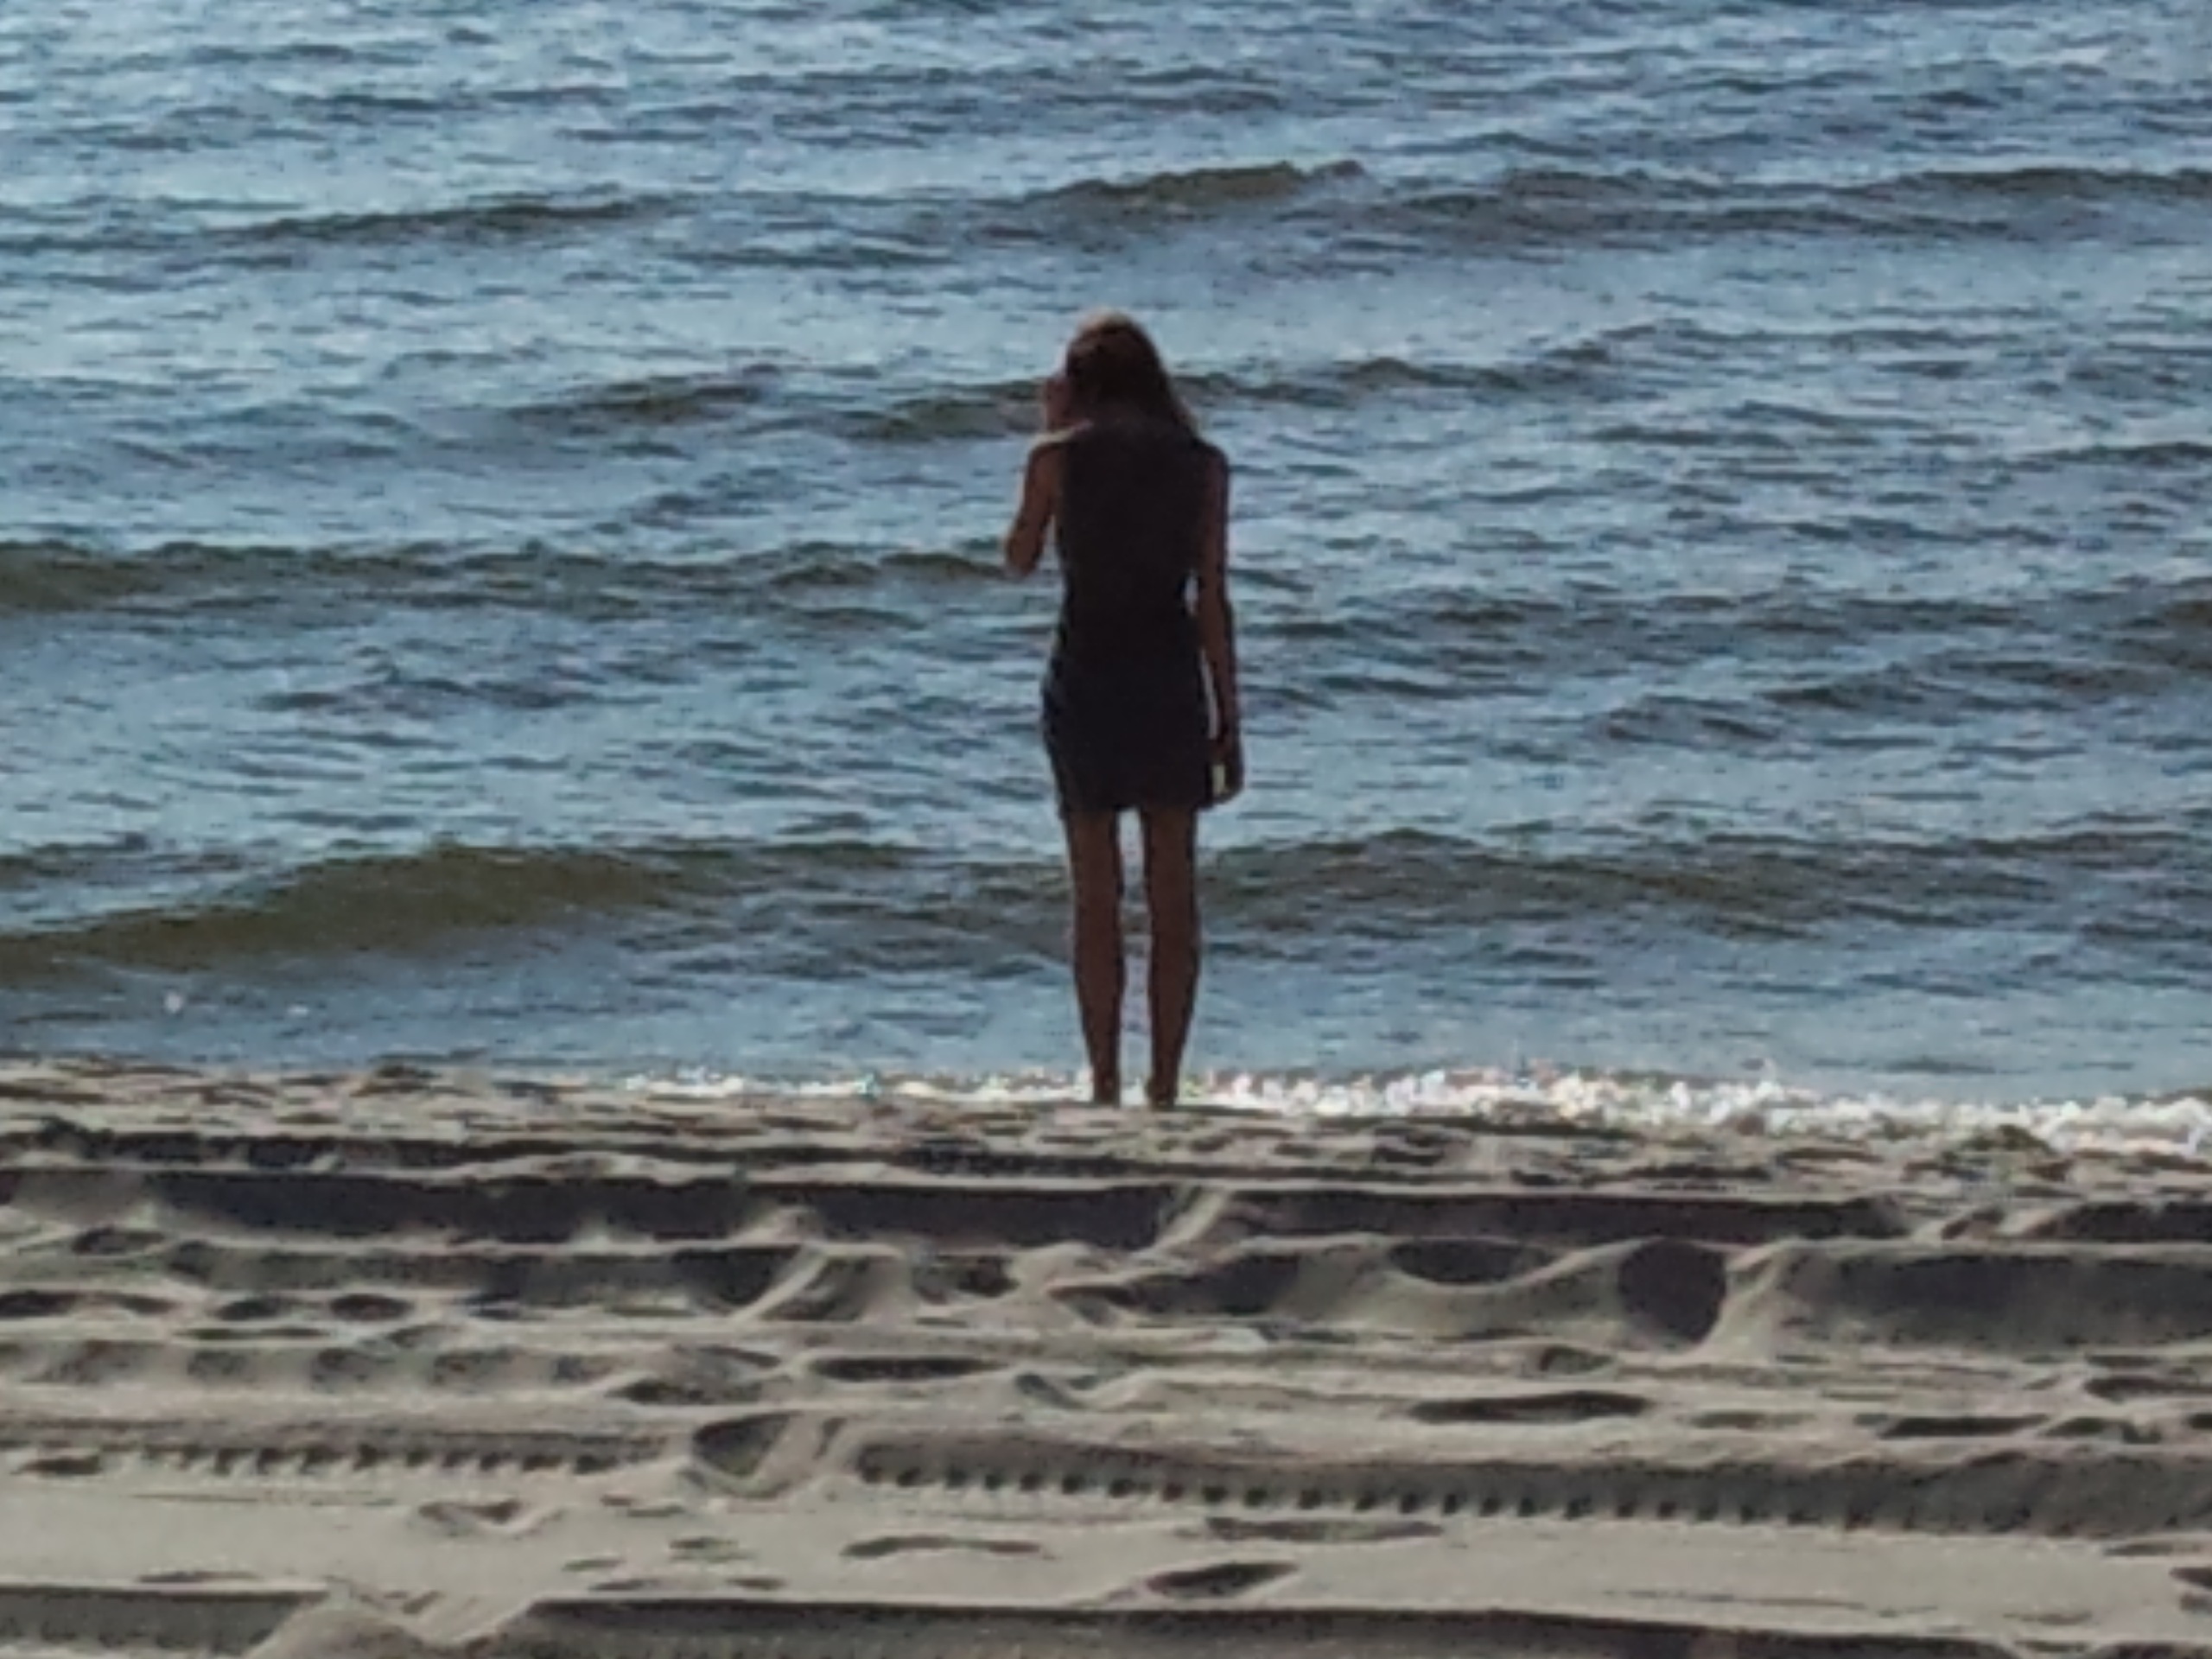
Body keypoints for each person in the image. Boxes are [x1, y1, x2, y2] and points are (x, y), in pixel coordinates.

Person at [1002, 311, 1243, 1109]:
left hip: (1087, 676)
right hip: (1169, 677)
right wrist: (1230, 716)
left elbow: (1018, 559)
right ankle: (1164, 1082)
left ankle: (1104, 1080)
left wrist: (1048, 429)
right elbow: (1212, 598)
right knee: (1173, 896)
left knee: (1095, 894)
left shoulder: (1056, 458)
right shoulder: (1201, 464)